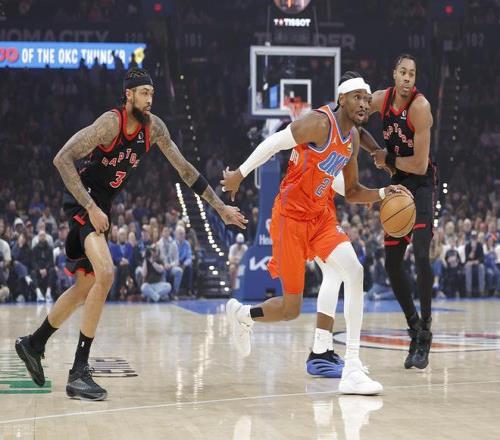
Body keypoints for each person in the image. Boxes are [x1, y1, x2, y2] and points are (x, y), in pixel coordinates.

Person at [15, 67, 247, 401]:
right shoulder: (110, 124)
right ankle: (78, 371)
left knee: (84, 287)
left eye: (152, 93)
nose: (150, 99)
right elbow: (62, 159)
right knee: (106, 274)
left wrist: (220, 208)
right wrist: (90, 206)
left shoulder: (154, 128)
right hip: (84, 202)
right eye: (144, 93)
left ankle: (33, 344)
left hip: (101, 207)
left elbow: (185, 170)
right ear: (128, 95)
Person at [222, 71, 411, 395]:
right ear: (342, 99)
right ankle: (243, 315)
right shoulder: (319, 123)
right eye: (357, 97)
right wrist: (240, 173)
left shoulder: (352, 140)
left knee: (354, 272)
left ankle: (352, 367)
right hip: (290, 218)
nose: (364, 104)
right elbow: (275, 142)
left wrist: (383, 193)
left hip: (320, 216)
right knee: (291, 309)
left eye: (367, 99)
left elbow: (352, 190)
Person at [358, 54, 437, 369]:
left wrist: (386, 158)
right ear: (394, 74)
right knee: (392, 264)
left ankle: (426, 331)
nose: (407, 77)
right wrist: (372, 149)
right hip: (398, 185)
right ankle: (413, 326)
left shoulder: (420, 107)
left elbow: (419, 164)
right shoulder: (380, 99)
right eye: (403, 72)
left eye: (412, 74)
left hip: (421, 185)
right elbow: (355, 119)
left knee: (420, 255)